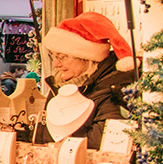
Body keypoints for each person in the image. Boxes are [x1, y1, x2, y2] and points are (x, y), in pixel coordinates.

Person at [32, 12, 136, 149]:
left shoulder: (115, 88)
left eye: (62, 57)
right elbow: (45, 136)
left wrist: (58, 140)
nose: (56, 64)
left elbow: (102, 142)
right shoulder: (60, 86)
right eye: (53, 57)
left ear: (87, 59)